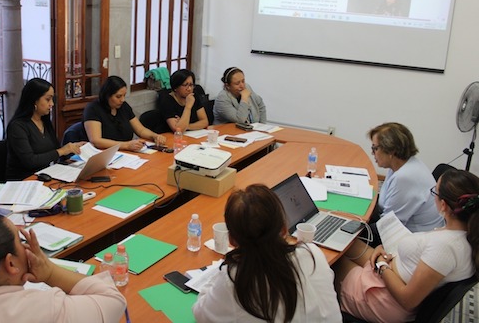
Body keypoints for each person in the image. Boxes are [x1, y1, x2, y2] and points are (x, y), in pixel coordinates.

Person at [0, 213, 127, 322]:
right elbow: (114, 301)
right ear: (10, 263)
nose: (26, 247)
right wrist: (50, 272)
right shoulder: (44, 308)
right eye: (21, 242)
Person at [334, 169, 479, 322]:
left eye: (434, 192)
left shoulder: (445, 248)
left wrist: (381, 265)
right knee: (342, 238)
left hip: (384, 297)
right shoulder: (466, 235)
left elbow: (407, 300)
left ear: (443, 205)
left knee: (331, 258)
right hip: (390, 270)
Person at [192, 184, 342, 322]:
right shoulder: (312, 253)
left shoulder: (234, 280)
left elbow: (200, 312)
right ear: (284, 229)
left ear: (231, 240)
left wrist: (222, 271)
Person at [368, 122, 442, 235]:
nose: (372, 153)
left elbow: (388, 227)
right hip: (395, 223)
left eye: (375, 148)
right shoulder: (401, 164)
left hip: (414, 237)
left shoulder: (404, 177)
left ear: (391, 150)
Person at [6, 78, 84, 180]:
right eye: (48, 99)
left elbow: (53, 151)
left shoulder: (44, 121)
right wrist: (62, 151)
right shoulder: (17, 126)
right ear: (34, 100)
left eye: (52, 99)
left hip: (45, 174)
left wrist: (72, 148)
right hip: (24, 180)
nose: (52, 104)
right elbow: (30, 161)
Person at [83, 75, 166, 152]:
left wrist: (154, 136)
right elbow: (96, 141)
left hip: (125, 153)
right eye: (118, 96)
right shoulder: (93, 109)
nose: (122, 100)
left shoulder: (123, 107)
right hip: (104, 154)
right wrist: (126, 145)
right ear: (107, 95)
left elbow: (141, 130)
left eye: (124, 95)